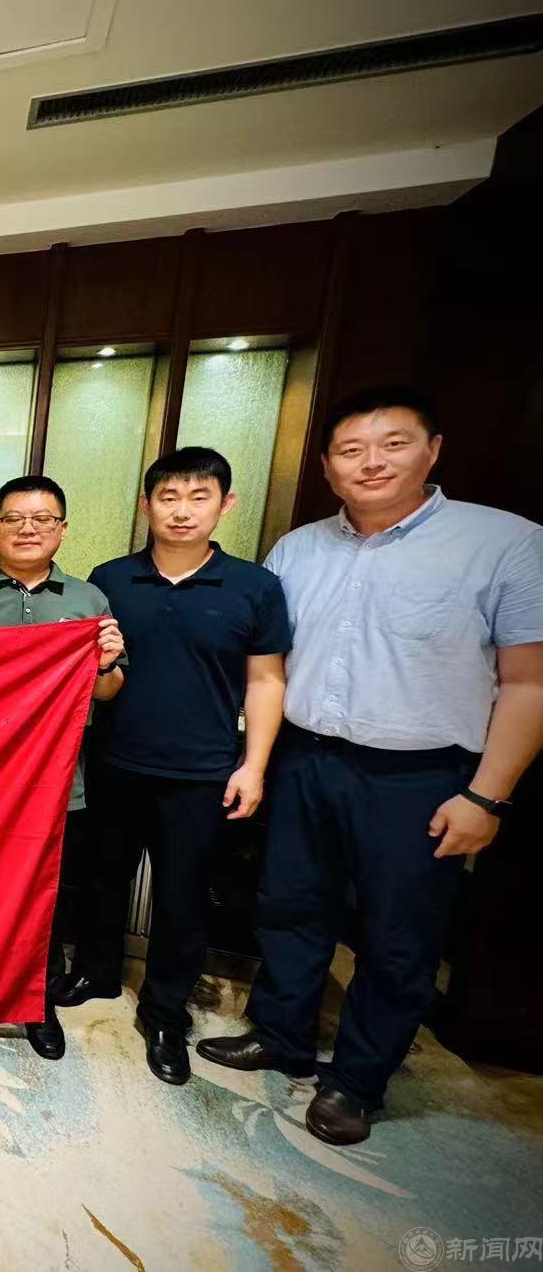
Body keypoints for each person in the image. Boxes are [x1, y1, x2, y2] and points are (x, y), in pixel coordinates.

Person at [198, 387, 543, 1145]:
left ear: (433, 450)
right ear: (327, 465)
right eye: (351, 450)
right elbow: (268, 666)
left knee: (397, 935)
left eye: (393, 444)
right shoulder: (298, 549)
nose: (372, 463)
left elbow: (529, 684)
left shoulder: (506, 543)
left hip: (421, 772)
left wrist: (487, 797)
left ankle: (357, 1080)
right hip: (305, 757)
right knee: (289, 907)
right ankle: (281, 1034)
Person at [74, 447, 290, 1087]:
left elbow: (267, 680)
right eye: (169, 497)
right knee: (102, 879)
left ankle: (165, 1011)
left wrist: (254, 766)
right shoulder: (109, 579)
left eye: (200, 497)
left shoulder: (254, 586)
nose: (182, 511)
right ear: (147, 506)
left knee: (183, 896)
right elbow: (92, 670)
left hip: (202, 772)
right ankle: (96, 973)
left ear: (226, 505)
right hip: (114, 760)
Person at [0, 475, 126, 1062]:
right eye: (14, 519)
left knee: (45, 898)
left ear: (62, 529)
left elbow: (108, 690)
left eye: (42, 519)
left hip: (56, 781)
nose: (28, 529)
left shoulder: (87, 601)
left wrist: (106, 662)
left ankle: (35, 1004)